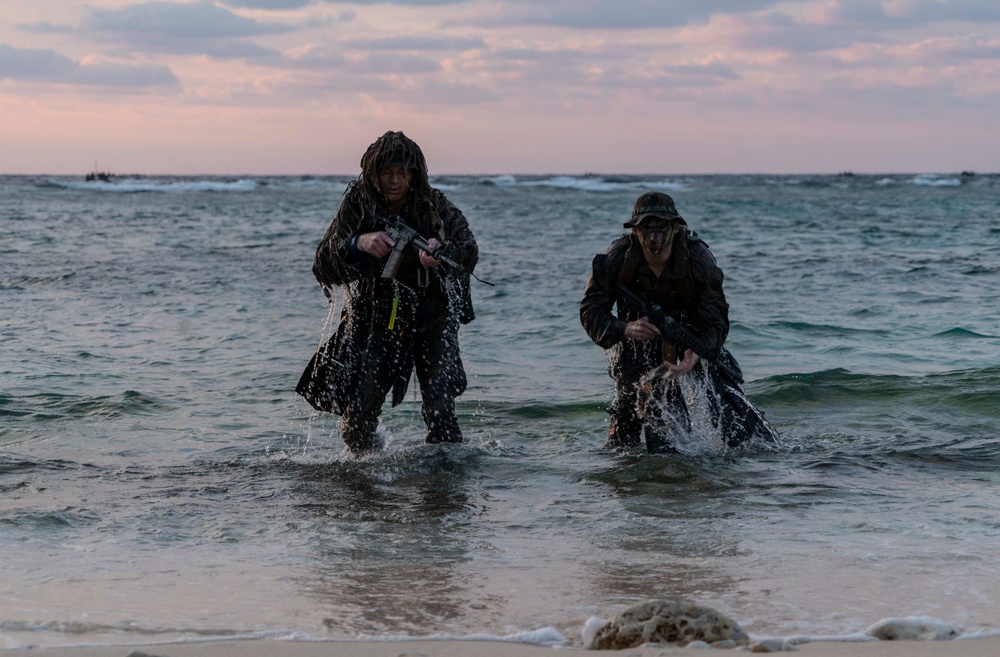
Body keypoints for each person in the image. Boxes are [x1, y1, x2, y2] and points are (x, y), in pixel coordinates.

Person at [296, 131, 479, 453]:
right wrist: (359, 243)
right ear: (373, 173)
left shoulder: (434, 204)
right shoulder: (358, 206)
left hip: (432, 313)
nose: (395, 181)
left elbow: (468, 250)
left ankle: (445, 490)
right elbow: (322, 262)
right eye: (387, 173)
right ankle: (366, 480)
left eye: (403, 173)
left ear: (414, 174)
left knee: (440, 411)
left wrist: (441, 251)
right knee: (358, 416)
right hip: (377, 314)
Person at [580, 192, 774, 453]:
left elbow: (716, 321)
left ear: (675, 228)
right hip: (636, 350)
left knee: (738, 428)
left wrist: (697, 352)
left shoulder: (698, 261)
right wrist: (625, 328)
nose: (655, 238)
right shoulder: (618, 258)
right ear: (635, 231)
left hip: (688, 343)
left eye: (662, 228)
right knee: (622, 445)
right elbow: (591, 311)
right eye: (647, 228)